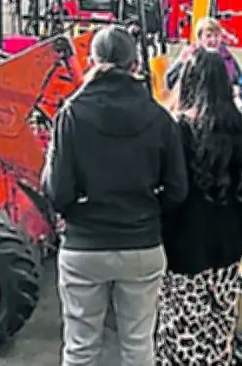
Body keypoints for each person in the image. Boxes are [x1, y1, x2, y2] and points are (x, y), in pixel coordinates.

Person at [42, 26, 189, 366]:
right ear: (136, 64)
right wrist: (149, 213)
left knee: (80, 348)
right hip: (142, 245)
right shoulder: (159, 117)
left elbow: (58, 191)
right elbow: (178, 189)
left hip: (85, 247)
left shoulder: (71, 115)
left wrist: (76, 212)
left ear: (91, 61)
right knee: (138, 346)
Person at [155, 49, 242, 365]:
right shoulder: (240, 128)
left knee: (183, 326)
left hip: (185, 243)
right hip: (230, 241)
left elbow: (169, 190)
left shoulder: (177, 129)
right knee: (221, 320)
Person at [165, 17, 242, 90]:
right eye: (208, 35)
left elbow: (239, 80)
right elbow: (170, 82)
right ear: (199, 38)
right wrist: (182, 62)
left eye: (216, 35)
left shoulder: (226, 56)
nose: (213, 40)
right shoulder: (191, 55)